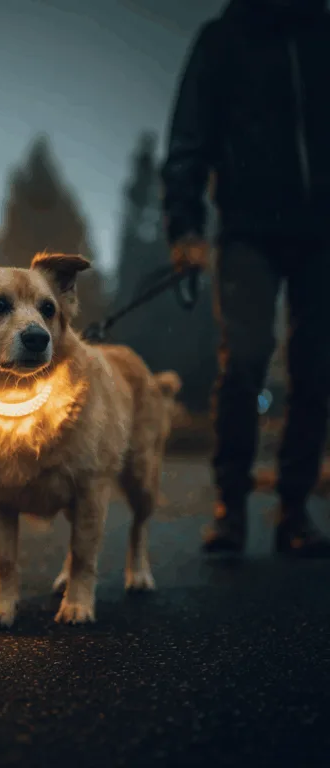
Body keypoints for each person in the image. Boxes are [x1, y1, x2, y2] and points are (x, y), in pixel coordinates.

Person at [161, 0, 330, 557]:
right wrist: (185, 224)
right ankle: (230, 508)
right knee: (247, 360)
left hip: (323, 232)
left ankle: (294, 509)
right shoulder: (223, 40)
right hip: (247, 229)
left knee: (316, 368)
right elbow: (189, 135)